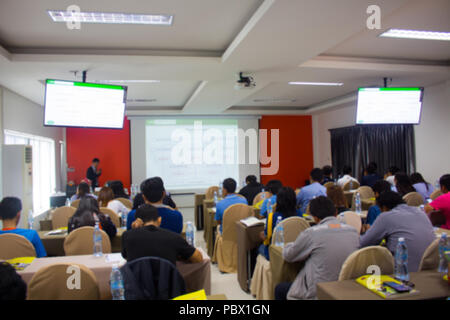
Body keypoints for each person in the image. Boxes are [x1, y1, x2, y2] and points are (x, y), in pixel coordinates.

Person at [274, 196, 359, 300]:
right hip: (347, 290)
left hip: (319, 292)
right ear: (336, 213)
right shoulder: (353, 231)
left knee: (280, 289)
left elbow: (289, 255)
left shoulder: (312, 233)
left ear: (315, 218)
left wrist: (288, 245)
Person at [360, 191, 435, 272]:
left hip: (403, 272)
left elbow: (363, 243)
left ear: (384, 207)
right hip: (430, 269)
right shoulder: (421, 213)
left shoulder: (386, 217)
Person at [122, 204, 203, 265]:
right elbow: (198, 258)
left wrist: (134, 231)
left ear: (137, 221)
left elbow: (126, 256)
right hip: (168, 286)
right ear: (159, 220)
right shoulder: (173, 237)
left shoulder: (127, 236)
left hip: (136, 286)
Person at [259, 187, 299, 260]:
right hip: (296, 252)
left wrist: (261, 235)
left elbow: (266, 237)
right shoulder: (300, 215)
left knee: (258, 248)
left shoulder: (273, 216)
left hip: (276, 254)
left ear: (278, 200)